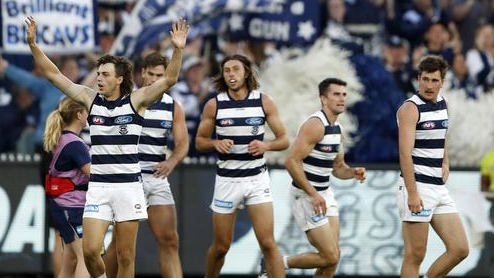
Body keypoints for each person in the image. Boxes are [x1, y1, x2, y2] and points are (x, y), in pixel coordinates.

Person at [25, 16, 187, 278]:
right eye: (98, 74)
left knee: (125, 256)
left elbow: (169, 80)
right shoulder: (90, 100)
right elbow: (54, 74)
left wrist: (178, 49)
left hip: (127, 186)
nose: (99, 78)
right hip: (99, 188)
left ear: (120, 79)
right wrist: (33, 44)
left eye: (105, 75)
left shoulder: (137, 101)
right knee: (90, 251)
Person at [195, 54, 290, 278]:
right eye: (227, 70)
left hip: (257, 180)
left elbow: (284, 139)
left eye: (235, 69)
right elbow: (199, 142)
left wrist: (266, 146)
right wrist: (215, 143)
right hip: (227, 181)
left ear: (246, 72)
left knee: (268, 243)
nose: (231, 74)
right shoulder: (214, 104)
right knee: (221, 247)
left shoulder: (263, 101)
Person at [105, 52, 189, 278]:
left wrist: (172, 161)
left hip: (156, 178)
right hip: (128, 179)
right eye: (150, 74)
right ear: (142, 73)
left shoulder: (173, 106)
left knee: (170, 241)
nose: (154, 80)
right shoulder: (124, 99)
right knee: (120, 247)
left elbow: (183, 143)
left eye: (159, 75)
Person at [281, 78, 366, 277]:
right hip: (305, 195)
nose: (342, 98)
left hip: (324, 194)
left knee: (333, 257)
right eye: (336, 94)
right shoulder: (315, 124)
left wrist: (352, 172)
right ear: (323, 98)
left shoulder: (337, 128)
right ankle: (275, 262)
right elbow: (291, 162)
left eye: (344, 94)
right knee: (330, 256)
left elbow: (338, 167)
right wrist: (313, 194)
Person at [397, 55, 469, 278]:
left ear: (442, 82)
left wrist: (445, 160)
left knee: (459, 249)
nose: (429, 85)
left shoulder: (443, 103)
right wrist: (412, 193)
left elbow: (442, 134)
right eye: (425, 79)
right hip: (418, 187)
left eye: (434, 80)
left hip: (438, 187)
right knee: (415, 256)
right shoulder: (410, 108)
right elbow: (404, 154)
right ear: (418, 79)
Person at [44, 97, 91, 278]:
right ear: (79, 114)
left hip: (62, 206)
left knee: (70, 259)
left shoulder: (62, 138)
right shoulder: (74, 144)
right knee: (84, 257)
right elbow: (91, 174)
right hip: (72, 206)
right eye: (86, 110)